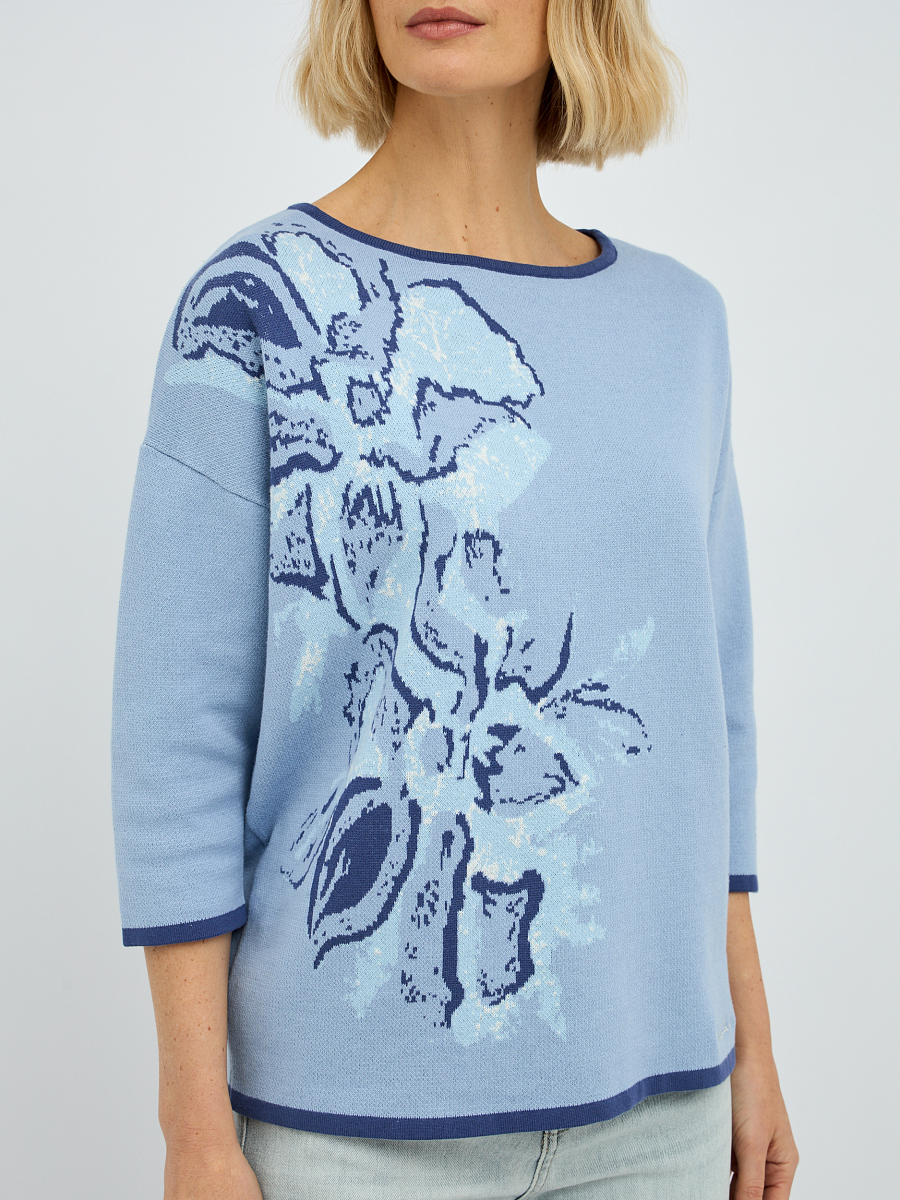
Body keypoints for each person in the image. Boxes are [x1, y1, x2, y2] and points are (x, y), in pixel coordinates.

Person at [110, 2, 800, 1197]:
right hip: (346, 1136)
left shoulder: (682, 325)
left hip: (663, 1119)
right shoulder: (255, 304)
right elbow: (175, 739)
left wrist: (757, 1047)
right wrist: (194, 1131)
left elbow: (710, 721)